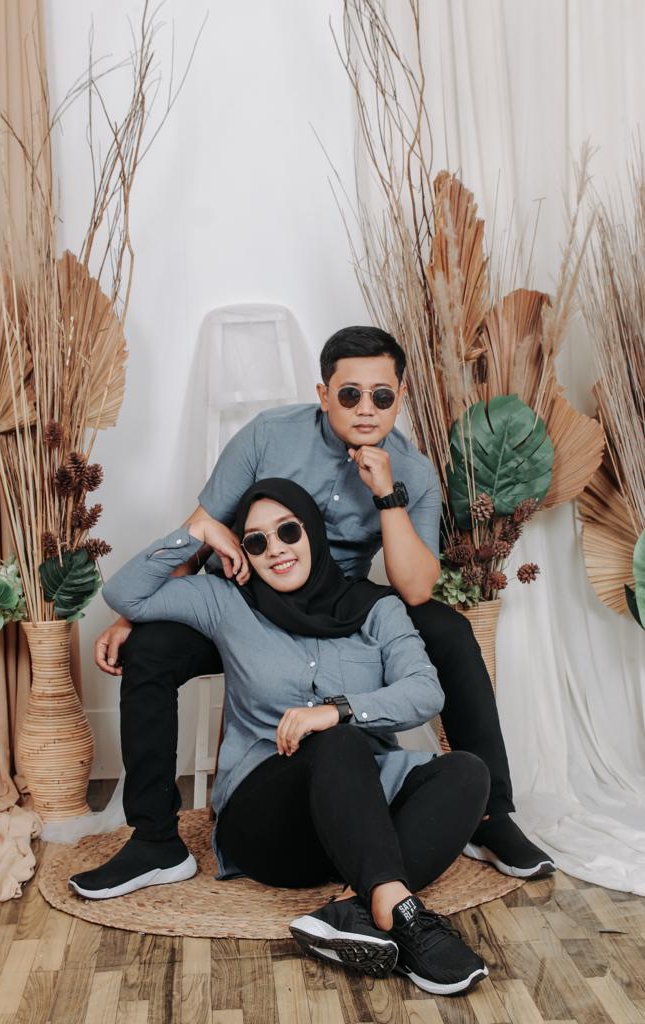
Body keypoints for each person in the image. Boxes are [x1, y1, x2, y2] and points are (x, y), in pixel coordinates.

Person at [93, 325, 554, 894]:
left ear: (401, 397)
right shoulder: (268, 435)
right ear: (323, 393)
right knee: (150, 646)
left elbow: (415, 590)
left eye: (381, 396)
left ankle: (489, 817)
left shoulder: (413, 472)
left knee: (449, 630)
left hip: (340, 608)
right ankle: (155, 840)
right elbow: (203, 526)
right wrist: (135, 614)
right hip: (246, 605)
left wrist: (386, 495)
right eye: (350, 394)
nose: (366, 409)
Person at [73, 479, 491, 995]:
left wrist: (338, 711)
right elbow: (125, 594)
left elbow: (426, 692)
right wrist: (197, 534)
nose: (275, 549)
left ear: (312, 532)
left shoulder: (377, 609)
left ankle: (356, 906)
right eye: (256, 541)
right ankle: (403, 917)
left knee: (469, 772)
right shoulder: (229, 602)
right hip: (269, 821)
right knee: (338, 743)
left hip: (360, 816)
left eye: (288, 531)